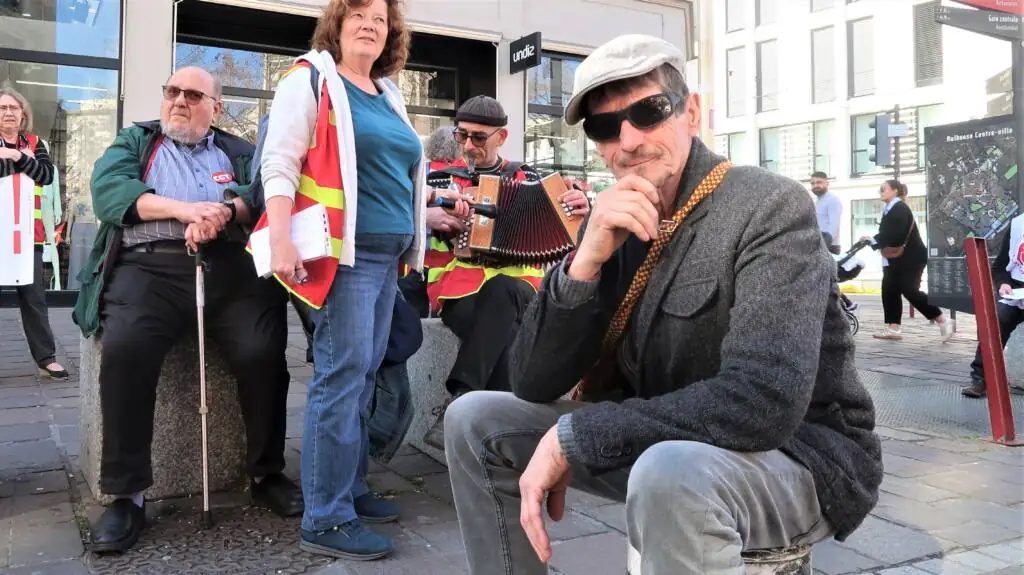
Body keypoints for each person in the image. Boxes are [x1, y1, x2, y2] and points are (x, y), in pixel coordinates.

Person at [442, 34, 883, 574]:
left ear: (691, 112)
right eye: (604, 127)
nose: (627, 140)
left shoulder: (768, 206)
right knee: (473, 419)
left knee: (669, 473)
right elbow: (530, 380)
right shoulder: (614, 219)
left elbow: (765, 400)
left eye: (649, 112)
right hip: (663, 442)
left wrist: (578, 435)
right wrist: (585, 265)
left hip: (797, 456)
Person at [72, 66, 301, 554]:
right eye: (172, 91)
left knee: (264, 349)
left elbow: (260, 195)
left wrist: (223, 212)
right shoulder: (136, 142)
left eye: (193, 94)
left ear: (215, 108)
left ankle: (266, 471)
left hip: (229, 268)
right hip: (149, 267)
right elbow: (109, 193)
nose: (179, 100)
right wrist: (184, 210)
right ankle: (127, 494)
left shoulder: (236, 150)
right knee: (127, 347)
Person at [259, 0, 428, 561]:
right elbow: (279, 163)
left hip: (386, 258)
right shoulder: (309, 80)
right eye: (357, 15)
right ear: (336, 24)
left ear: (391, 35)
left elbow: (394, 173)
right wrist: (280, 238)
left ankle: (350, 489)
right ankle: (326, 516)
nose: (370, 25)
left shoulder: (389, 93)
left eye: (380, 19)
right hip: (344, 257)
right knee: (341, 376)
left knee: (364, 373)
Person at [419, 95, 590, 451]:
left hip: (521, 291)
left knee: (505, 290)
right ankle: (503, 444)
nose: (467, 145)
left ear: (502, 137)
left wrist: (582, 207)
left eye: (478, 137)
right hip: (460, 293)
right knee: (510, 335)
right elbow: (416, 234)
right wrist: (438, 223)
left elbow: (572, 221)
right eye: (461, 135)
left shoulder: (528, 178)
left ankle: (459, 403)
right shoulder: (439, 181)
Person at [0, 87, 69, 379]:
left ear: (23, 113)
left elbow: (47, 174)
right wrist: (24, 163)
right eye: (2, 108)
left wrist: (14, 154)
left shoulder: (35, 142)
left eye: (13, 108)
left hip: (28, 234)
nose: (8, 113)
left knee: (34, 298)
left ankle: (46, 358)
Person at [864, 179, 953, 341]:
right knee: (889, 289)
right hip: (896, 258)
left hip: (911, 258)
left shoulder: (899, 209)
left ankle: (943, 320)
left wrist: (873, 240)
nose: (880, 191)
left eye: (883, 188)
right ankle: (894, 329)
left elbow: (895, 233)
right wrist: (874, 240)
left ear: (895, 191)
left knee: (910, 290)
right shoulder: (890, 209)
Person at [963, 213, 1023, 398]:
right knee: (997, 319)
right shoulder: (1017, 224)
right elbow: (1000, 267)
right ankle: (981, 377)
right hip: (1017, 291)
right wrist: (1003, 284)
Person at [811, 170, 841, 255]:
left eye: (819, 182)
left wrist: (824, 245)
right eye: (812, 183)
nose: (815, 185)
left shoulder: (832, 200)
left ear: (827, 183)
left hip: (829, 246)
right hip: (818, 245)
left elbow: (834, 225)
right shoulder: (818, 201)